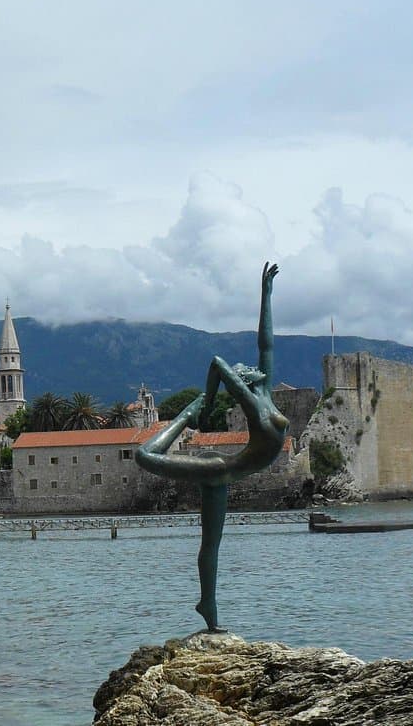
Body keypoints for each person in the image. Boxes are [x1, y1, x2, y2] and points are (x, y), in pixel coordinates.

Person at [135, 263, 288, 632]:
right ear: (243, 382)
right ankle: (182, 418)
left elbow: (266, 342)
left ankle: (208, 606)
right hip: (217, 468)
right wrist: (203, 404)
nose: (253, 369)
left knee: (211, 546)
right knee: (144, 456)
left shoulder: (264, 392)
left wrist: (265, 294)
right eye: (246, 372)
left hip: (226, 472)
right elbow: (217, 364)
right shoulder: (253, 404)